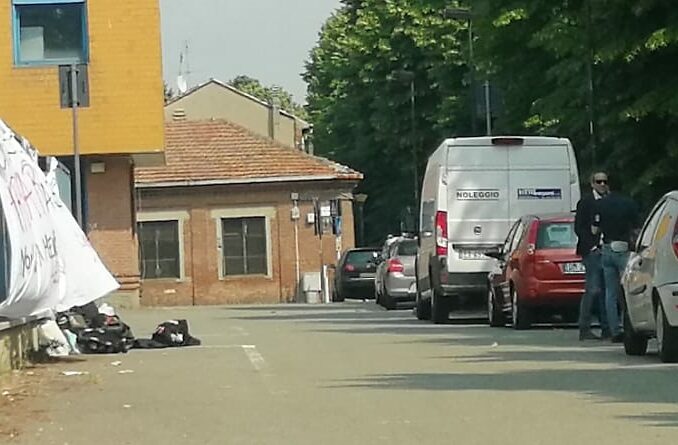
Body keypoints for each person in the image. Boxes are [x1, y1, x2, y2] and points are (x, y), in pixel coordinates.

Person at [592, 182, 641, 343]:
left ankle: (614, 330)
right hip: (624, 248)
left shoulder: (601, 204)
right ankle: (629, 326)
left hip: (607, 248)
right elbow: (637, 229)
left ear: (609, 187)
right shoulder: (629, 204)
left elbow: (594, 229)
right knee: (628, 289)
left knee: (610, 292)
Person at [575, 172, 610, 340]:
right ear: (592, 183)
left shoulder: (609, 201)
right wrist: (592, 246)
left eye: (605, 181)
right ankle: (584, 327)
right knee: (593, 289)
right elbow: (579, 228)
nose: (602, 184)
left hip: (608, 249)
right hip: (592, 251)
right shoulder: (585, 202)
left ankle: (607, 327)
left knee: (606, 290)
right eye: (598, 181)